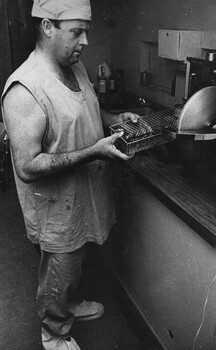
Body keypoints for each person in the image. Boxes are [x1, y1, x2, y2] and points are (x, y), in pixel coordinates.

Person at [1, 0, 139, 349]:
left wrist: (116, 116)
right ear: (48, 27)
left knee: (74, 264)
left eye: (86, 31)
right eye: (77, 31)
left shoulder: (74, 67)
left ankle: (70, 304)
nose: (86, 41)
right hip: (55, 209)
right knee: (58, 271)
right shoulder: (25, 88)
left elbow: (83, 112)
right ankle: (54, 332)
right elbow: (28, 166)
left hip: (82, 197)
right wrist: (94, 152)